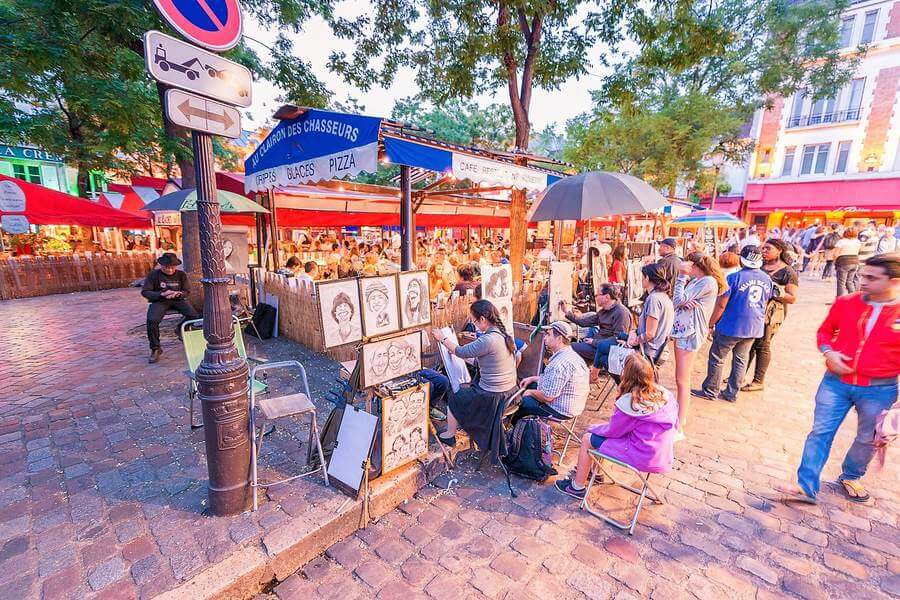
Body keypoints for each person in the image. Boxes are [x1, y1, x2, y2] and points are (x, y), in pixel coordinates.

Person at [779, 253, 899, 504]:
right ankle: (806, 486)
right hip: (836, 382)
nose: (863, 280)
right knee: (820, 432)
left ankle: (852, 475)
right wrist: (828, 351)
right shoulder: (846, 302)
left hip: (880, 388)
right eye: (863, 275)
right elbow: (825, 332)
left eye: (872, 278)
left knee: (867, 438)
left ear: (893, 281)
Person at [554, 354, 677, 499]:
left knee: (588, 438)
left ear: (627, 374)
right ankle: (596, 473)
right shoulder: (664, 394)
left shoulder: (631, 403)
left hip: (641, 454)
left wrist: (593, 428)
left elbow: (613, 431)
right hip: (661, 453)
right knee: (604, 436)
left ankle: (577, 487)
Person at [431, 300, 518, 455]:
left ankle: (450, 435)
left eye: (474, 320)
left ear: (483, 319)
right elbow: (482, 360)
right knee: (465, 389)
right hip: (510, 393)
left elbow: (460, 351)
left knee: (455, 396)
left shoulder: (488, 339)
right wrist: (462, 356)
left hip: (493, 397)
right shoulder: (502, 334)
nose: (474, 324)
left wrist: (442, 338)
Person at [694, 246, 774, 402]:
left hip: (731, 325)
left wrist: (711, 324)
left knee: (717, 358)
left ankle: (711, 390)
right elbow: (766, 301)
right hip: (753, 326)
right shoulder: (767, 279)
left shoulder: (733, 278)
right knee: (741, 360)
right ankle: (732, 393)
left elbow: (721, 305)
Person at [671, 253, 726, 440]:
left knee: (682, 380)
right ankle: (680, 417)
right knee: (680, 379)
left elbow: (678, 300)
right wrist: (684, 300)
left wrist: (681, 277)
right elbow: (679, 302)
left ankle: (679, 425)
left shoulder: (707, 282)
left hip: (690, 334)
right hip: (685, 332)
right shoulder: (699, 282)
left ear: (694, 265)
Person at [590, 263, 674, 382]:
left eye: (642, 277)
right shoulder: (663, 297)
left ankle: (626, 385)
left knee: (603, 352)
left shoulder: (654, 299)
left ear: (647, 278)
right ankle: (595, 376)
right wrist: (633, 334)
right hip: (651, 346)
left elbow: (650, 333)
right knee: (614, 339)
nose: (640, 279)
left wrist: (632, 342)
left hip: (648, 350)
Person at [743, 239, 799, 392]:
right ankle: (739, 375)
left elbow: (792, 297)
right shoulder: (759, 265)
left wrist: (774, 291)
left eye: (768, 248)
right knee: (748, 344)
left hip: (770, 314)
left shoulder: (788, 272)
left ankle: (758, 380)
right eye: (763, 248)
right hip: (753, 310)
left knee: (762, 345)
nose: (764, 251)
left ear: (780, 250)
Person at [512, 321, 589, 423]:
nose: (545, 338)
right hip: (574, 404)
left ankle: (514, 431)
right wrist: (532, 378)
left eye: (548, 334)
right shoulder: (570, 354)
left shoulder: (560, 363)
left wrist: (529, 392)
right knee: (530, 385)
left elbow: (548, 397)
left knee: (520, 403)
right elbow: (554, 380)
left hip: (560, 410)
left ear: (559, 339)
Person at [141, 253, 200, 364]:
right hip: (160, 301)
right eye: (166, 267)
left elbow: (187, 291)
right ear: (161, 266)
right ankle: (155, 348)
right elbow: (145, 292)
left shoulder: (181, 275)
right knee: (152, 320)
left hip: (177, 300)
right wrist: (161, 294)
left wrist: (178, 294)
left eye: (172, 267)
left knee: (194, 316)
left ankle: (179, 328)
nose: (169, 270)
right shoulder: (153, 275)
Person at [563, 285, 632, 365]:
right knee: (572, 352)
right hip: (597, 344)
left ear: (607, 296)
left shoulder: (621, 313)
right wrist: (566, 312)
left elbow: (618, 340)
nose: (595, 298)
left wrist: (594, 342)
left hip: (605, 348)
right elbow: (584, 322)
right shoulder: (603, 311)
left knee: (570, 348)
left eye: (597, 295)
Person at [834, 227, 861, 297]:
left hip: (843, 262)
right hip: (855, 261)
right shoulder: (857, 242)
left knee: (841, 282)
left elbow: (836, 254)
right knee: (849, 281)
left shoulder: (842, 241)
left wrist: (834, 262)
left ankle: (839, 299)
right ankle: (853, 298)